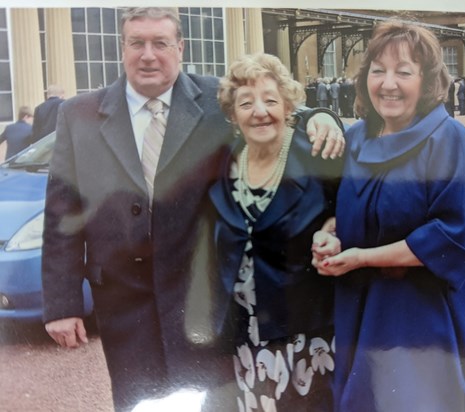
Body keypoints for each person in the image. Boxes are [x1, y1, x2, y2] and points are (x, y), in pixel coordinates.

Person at [41, 7, 344, 412]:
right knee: (137, 403)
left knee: (208, 402)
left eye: (160, 43)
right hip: (122, 306)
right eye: (137, 43)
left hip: (201, 302)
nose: (148, 55)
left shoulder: (214, 102)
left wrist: (323, 116)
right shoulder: (78, 115)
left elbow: (273, 109)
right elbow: (61, 214)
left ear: (179, 48)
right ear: (123, 48)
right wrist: (62, 306)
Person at [311, 20, 465, 412]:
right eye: (378, 70)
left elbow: (451, 238)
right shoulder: (356, 138)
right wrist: (331, 234)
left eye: (403, 72)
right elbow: (349, 211)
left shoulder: (449, 141)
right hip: (359, 314)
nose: (388, 83)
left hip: (419, 322)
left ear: (426, 81)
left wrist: (361, 258)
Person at [211, 53, 343, 412]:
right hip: (242, 333)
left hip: (302, 334)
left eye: (270, 100)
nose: (259, 111)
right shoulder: (223, 162)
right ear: (233, 115)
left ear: (288, 106)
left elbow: (353, 215)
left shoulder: (318, 155)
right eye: (246, 102)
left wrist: (336, 231)